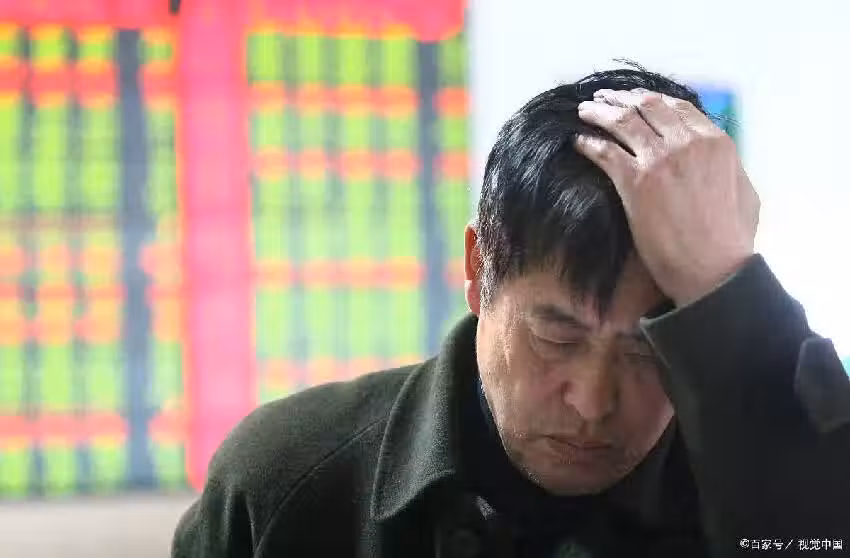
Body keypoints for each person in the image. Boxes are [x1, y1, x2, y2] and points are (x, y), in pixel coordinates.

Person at [171, 68, 850, 557]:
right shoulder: (289, 485)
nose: (592, 402)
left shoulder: (753, 499)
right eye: (557, 335)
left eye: (648, 350)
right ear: (478, 269)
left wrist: (729, 286)